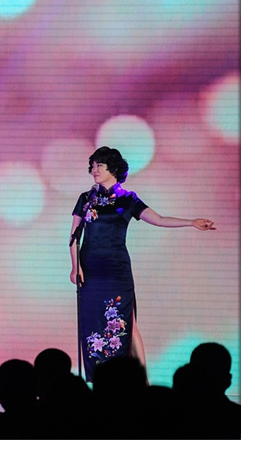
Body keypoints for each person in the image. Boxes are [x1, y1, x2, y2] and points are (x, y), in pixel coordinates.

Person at [69, 146, 215, 381]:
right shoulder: (86, 199)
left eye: (100, 165)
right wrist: (75, 266)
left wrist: (191, 222)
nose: (94, 170)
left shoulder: (128, 199)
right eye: (93, 166)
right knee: (94, 323)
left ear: (113, 169)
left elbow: (158, 219)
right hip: (91, 270)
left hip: (116, 269)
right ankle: (103, 379)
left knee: (126, 323)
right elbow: (74, 235)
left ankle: (141, 380)